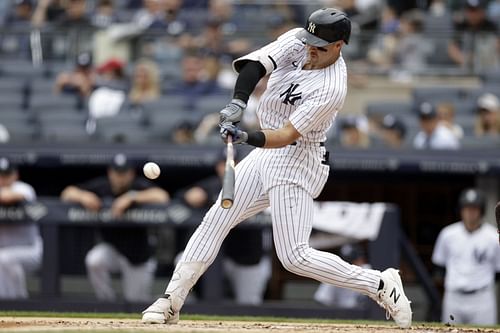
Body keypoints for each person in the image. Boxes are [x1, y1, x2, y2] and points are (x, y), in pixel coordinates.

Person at [142, 8, 412, 328]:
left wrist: (245, 136)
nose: (311, 48)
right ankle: (171, 299)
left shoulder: (331, 87)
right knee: (216, 219)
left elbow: (285, 136)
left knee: (294, 257)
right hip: (266, 152)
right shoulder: (299, 41)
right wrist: (238, 103)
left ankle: (380, 284)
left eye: (320, 45)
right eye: (309, 39)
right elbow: (255, 65)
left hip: (298, 159)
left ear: (340, 45)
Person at [60, 153, 169, 302]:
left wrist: (131, 197)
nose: (120, 176)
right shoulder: (102, 186)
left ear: (131, 174)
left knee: (136, 303)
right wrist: (82, 196)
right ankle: (107, 302)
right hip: (113, 250)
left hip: (138, 256)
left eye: (124, 172)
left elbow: (162, 196)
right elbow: (67, 193)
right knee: (95, 260)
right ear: (110, 172)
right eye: (117, 172)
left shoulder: (137, 186)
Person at [176, 148, 271, 305]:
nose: (228, 167)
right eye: (224, 163)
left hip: (247, 256)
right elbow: (179, 197)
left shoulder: (256, 186)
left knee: (249, 303)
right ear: (217, 166)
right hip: (214, 257)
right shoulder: (210, 186)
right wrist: (190, 196)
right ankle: (184, 302)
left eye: (233, 163)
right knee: (183, 258)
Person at [432, 188, 500, 325]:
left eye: (474, 208)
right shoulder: (448, 234)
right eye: (467, 208)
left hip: (482, 298)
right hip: (454, 296)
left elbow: (498, 271)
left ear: (481, 210)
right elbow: (439, 266)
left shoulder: (493, 236)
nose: (470, 213)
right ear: (461, 210)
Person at [0, 157, 42, 299]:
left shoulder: (23, 188)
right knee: (4, 259)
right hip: (6, 252)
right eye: (0, 174)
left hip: (30, 251)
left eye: (6, 174)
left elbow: (9, 197)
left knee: (4, 258)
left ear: (15, 175)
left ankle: (20, 301)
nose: (3, 179)